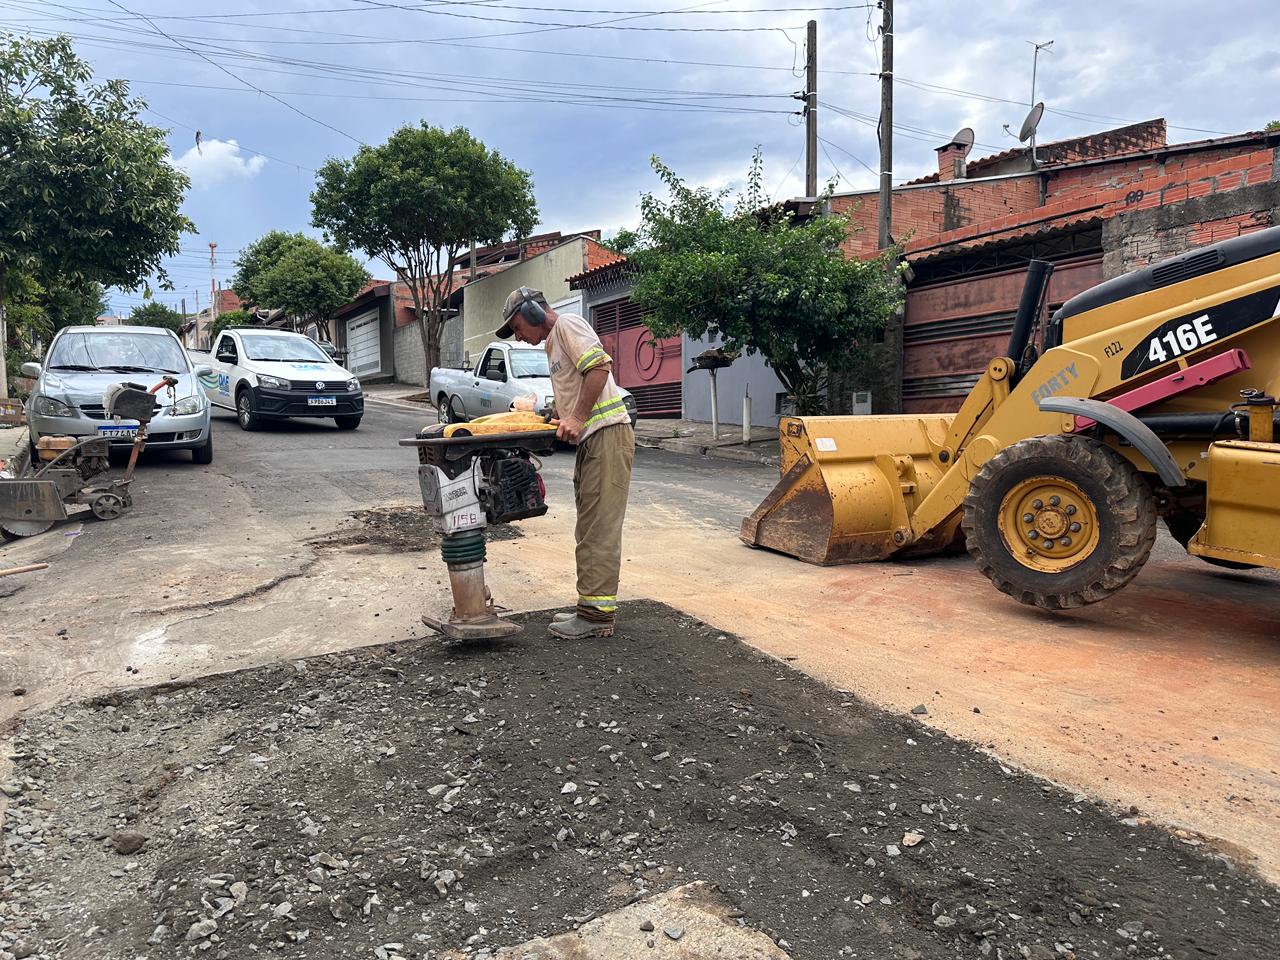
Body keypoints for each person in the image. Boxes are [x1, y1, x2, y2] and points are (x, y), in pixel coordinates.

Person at [495, 286, 635, 639]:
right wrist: (556, 416)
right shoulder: (553, 342)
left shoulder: (568, 324)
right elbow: (576, 386)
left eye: (517, 328)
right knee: (588, 525)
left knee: (598, 528)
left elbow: (599, 367)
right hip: (593, 439)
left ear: (533, 312)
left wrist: (578, 417)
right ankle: (589, 606)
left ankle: (596, 617)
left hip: (607, 435)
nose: (518, 337)